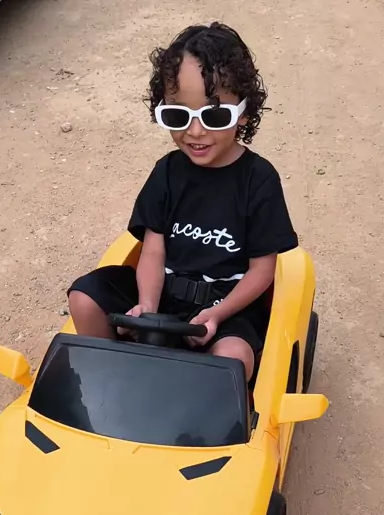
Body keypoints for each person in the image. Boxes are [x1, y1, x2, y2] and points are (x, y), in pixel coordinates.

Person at [68, 22, 298, 381]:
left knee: (233, 356)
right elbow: (153, 251)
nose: (195, 131)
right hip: (163, 294)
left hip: (228, 304)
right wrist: (146, 306)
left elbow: (262, 271)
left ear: (244, 113)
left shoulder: (259, 179)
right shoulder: (167, 172)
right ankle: (109, 383)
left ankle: (216, 402)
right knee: (84, 298)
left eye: (214, 115)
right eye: (178, 115)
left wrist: (218, 314)